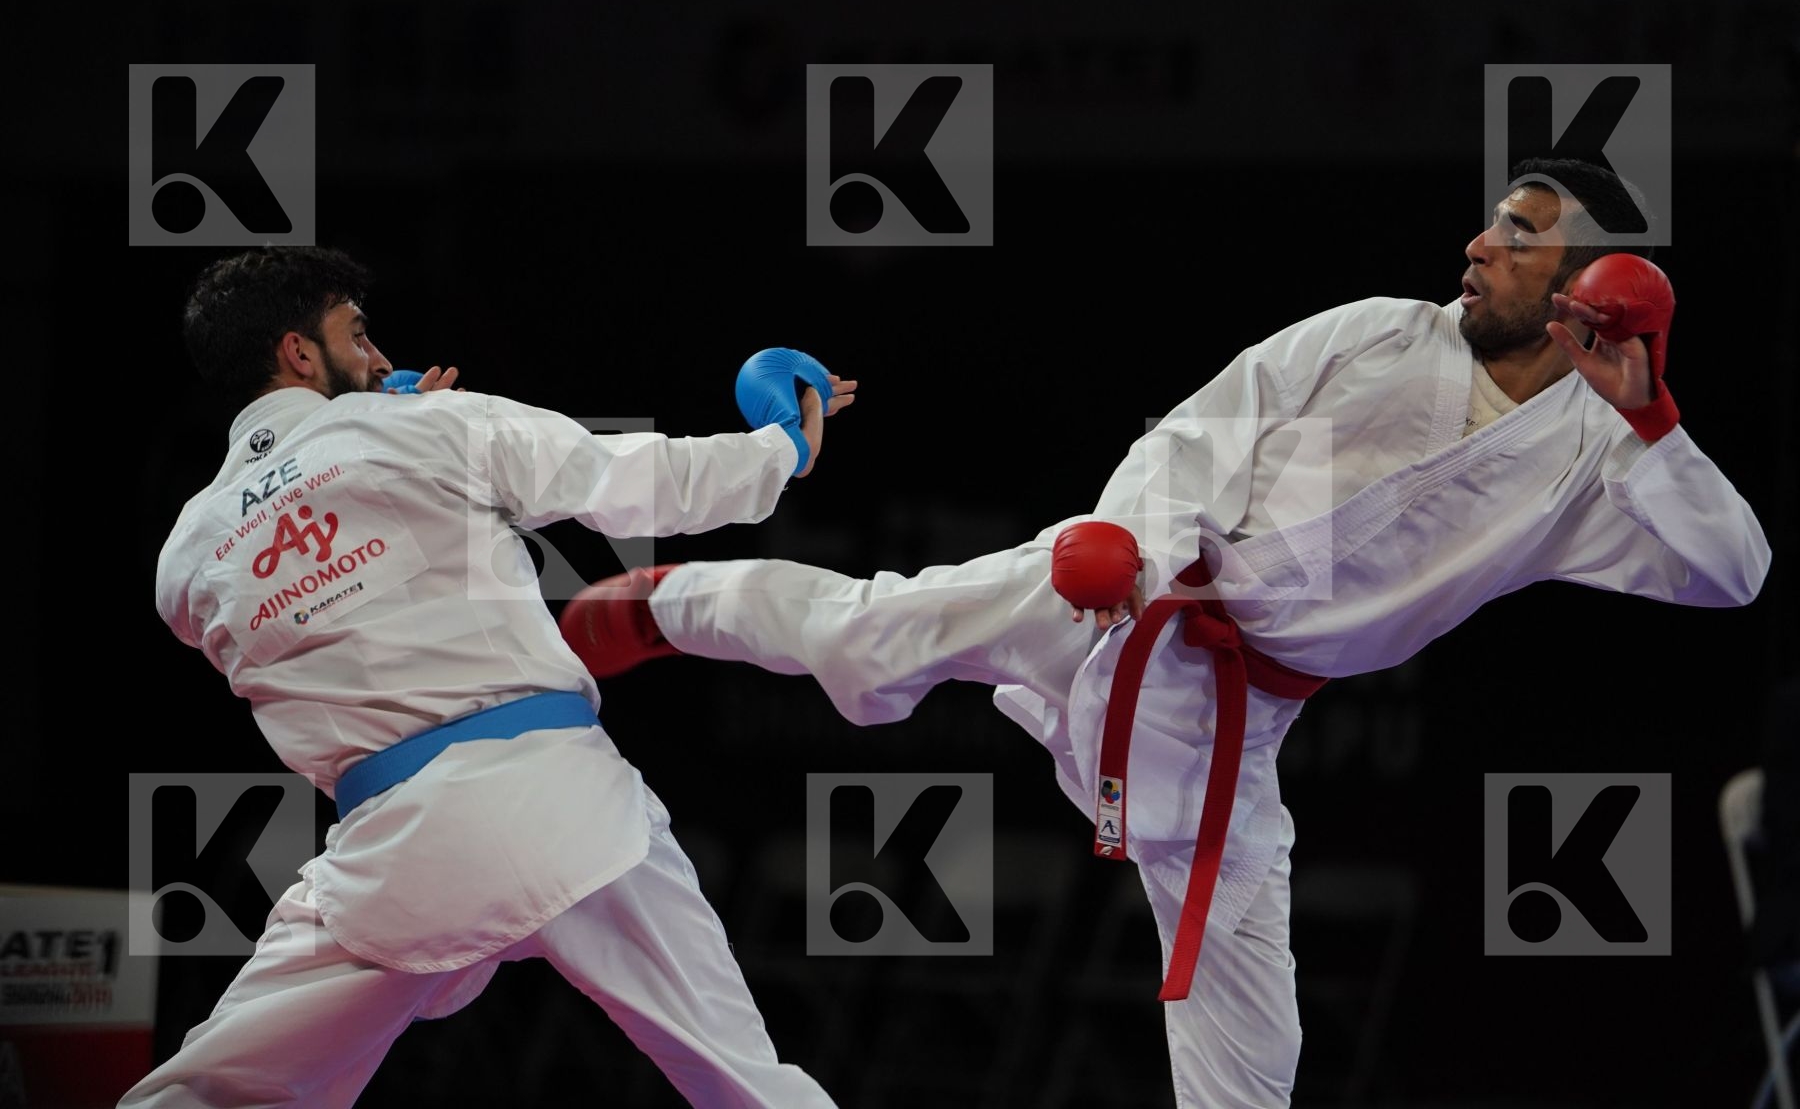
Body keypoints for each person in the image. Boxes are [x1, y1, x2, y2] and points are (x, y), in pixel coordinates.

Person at [559, 158, 1772, 1107]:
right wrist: (1136, 546)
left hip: (1235, 718)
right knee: (874, 632)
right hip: (1131, 593)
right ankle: (666, 606)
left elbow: (1735, 575)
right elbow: (1200, 428)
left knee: (1251, 1023)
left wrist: (1655, 418)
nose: (1478, 244)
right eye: (1490, 221)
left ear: (1590, 284)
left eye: (1517, 233)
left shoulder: (1598, 460)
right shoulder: (1376, 331)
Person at [124, 246, 854, 1107]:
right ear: (298, 352)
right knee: (748, 1085)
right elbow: (637, 485)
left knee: (203, 1095)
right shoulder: (432, 424)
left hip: (392, 862)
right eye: (357, 336)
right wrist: (780, 446)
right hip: (566, 813)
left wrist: (375, 469)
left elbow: (280, 610)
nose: (383, 360)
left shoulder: (185, 554)